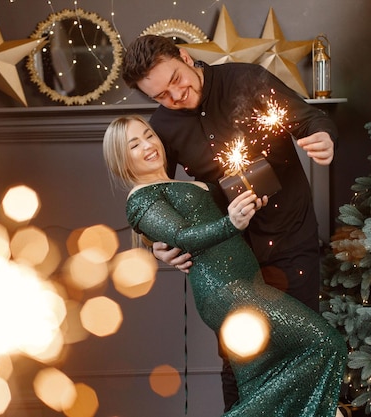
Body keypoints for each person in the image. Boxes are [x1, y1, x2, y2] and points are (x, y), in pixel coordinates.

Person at [122, 34, 338, 409]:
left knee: (307, 349)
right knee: (239, 364)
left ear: (186, 58)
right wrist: (155, 246)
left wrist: (323, 136)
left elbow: (309, 119)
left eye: (175, 80)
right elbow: (155, 192)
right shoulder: (163, 126)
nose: (175, 97)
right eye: (160, 96)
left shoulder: (246, 80)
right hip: (227, 263)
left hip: (291, 240)